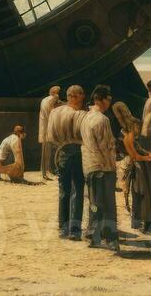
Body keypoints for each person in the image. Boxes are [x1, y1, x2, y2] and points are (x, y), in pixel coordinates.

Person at [80, 84, 119, 251]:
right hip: (103, 167)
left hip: (89, 165)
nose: (109, 103)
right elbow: (106, 147)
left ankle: (93, 235)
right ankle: (110, 238)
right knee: (108, 205)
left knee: (95, 203)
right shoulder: (102, 119)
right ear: (101, 100)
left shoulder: (85, 117)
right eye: (108, 99)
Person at [47, 85, 87, 239]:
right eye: (81, 95)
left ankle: (63, 228)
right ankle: (75, 230)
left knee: (64, 189)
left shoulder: (55, 112)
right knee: (77, 189)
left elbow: (50, 135)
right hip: (77, 151)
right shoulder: (80, 114)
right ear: (77, 96)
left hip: (61, 151)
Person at [114, 103, 151, 233]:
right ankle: (143, 223)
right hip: (138, 168)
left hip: (141, 166)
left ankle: (140, 222)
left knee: (141, 194)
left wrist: (149, 154)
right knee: (142, 194)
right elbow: (135, 156)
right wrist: (149, 157)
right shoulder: (127, 137)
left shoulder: (128, 135)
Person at [37, 85, 60, 180]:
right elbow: (51, 114)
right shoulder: (52, 99)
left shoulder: (44, 100)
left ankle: (45, 172)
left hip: (45, 128)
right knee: (49, 152)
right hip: (48, 129)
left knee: (46, 152)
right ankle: (47, 172)